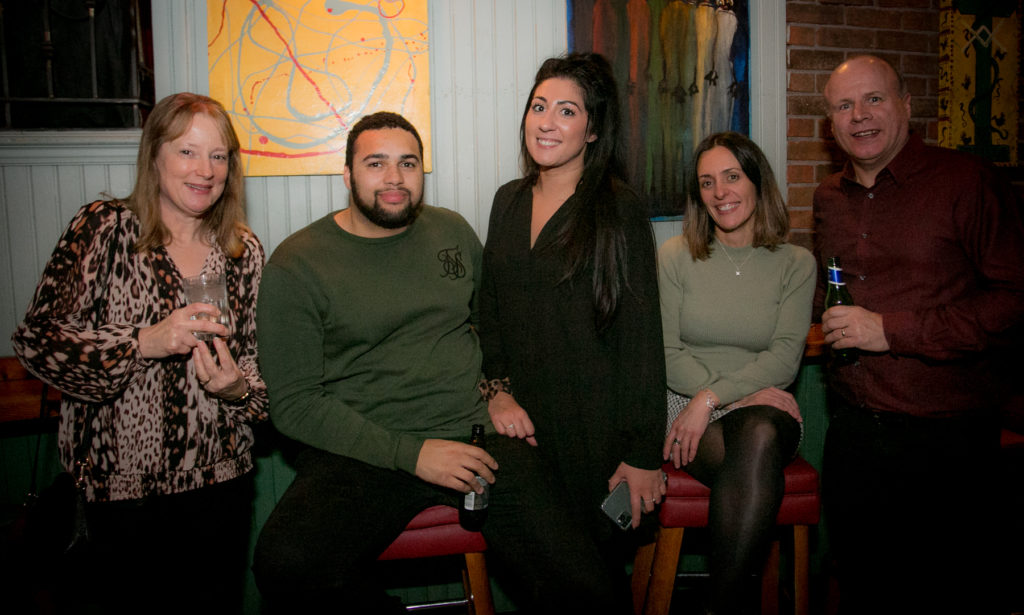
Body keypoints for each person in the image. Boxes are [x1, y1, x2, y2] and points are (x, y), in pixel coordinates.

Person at [252, 111, 622, 613]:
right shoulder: (298, 263)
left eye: (408, 163)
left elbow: (492, 325)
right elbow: (294, 405)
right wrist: (413, 455)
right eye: (376, 163)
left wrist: (498, 391)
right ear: (347, 175)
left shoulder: (451, 231)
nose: (394, 178)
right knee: (284, 566)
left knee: (586, 585)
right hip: (363, 449)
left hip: (474, 437)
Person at [11, 92, 267, 614]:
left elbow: (260, 381)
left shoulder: (242, 251)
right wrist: (143, 342)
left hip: (221, 485)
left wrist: (238, 390)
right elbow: (37, 341)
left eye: (218, 156)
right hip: (116, 495)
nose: (205, 170)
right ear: (154, 155)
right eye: (187, 151)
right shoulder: (104, 229)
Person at [815, 54, 1024, 615]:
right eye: (843, 105)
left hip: (949, 443)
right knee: (865, 591)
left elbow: (1014, 302)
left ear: (906, 106)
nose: (859, 115)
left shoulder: (967, 182)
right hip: (854, 434)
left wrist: (891, 330)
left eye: (874, 99)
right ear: (830, 124)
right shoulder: (828, 197)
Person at [477, 52, 666, 609]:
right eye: (539, 107)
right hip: (521, 429)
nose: (547, 122)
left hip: (594, 429)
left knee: (591, 578)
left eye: (567, 110)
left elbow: (641, 337)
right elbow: (490, 312)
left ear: (594, 129)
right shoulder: (507, 201)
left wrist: (643, 454)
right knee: (541, 578)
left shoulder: (618, 209)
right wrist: (496, 392)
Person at [658, 131, 814, 614]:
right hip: (685, 403)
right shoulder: (675, 256)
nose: (720, 192)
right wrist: (722, 397)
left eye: (732, 177)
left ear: (757, 181)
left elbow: (784, 359)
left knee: (759, 432)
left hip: (763, 406)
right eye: (707, 182)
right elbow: (667, 352)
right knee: (754, 444)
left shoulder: (796, 264)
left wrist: (717, 397)